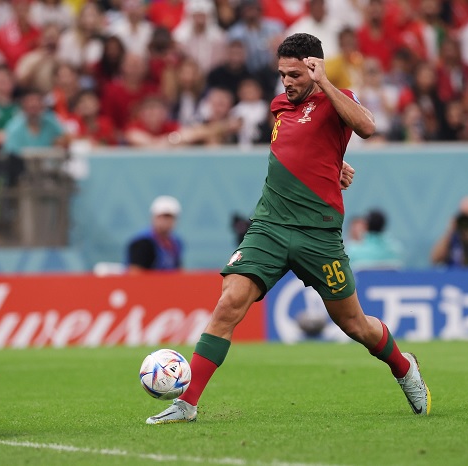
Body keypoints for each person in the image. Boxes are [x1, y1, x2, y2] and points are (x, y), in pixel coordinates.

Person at [146, 33, 430, 425]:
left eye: (295, 74)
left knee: (354, 324)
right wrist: (332, 166)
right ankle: (187, 403)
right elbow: (297, 151)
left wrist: (326, 83)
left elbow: (367, 126)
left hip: (318, 233)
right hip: (270, 226)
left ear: (314, 68)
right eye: (282, 74)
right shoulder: (279, 105)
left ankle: (403, 367)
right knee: (229, 303)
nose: (287, 82)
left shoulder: (336, 97)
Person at [430, 195, 468, 267]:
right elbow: (434, 259)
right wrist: (449, 232)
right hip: (455, 277)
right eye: (465, 216)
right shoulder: (453, 238)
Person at [126, 195, 183, 273]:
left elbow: (179, 271)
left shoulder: (176, 243)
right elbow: (135, 274)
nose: (165, 221)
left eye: (169, 217)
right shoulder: (142, 243)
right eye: (161, 217)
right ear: (153, 218)